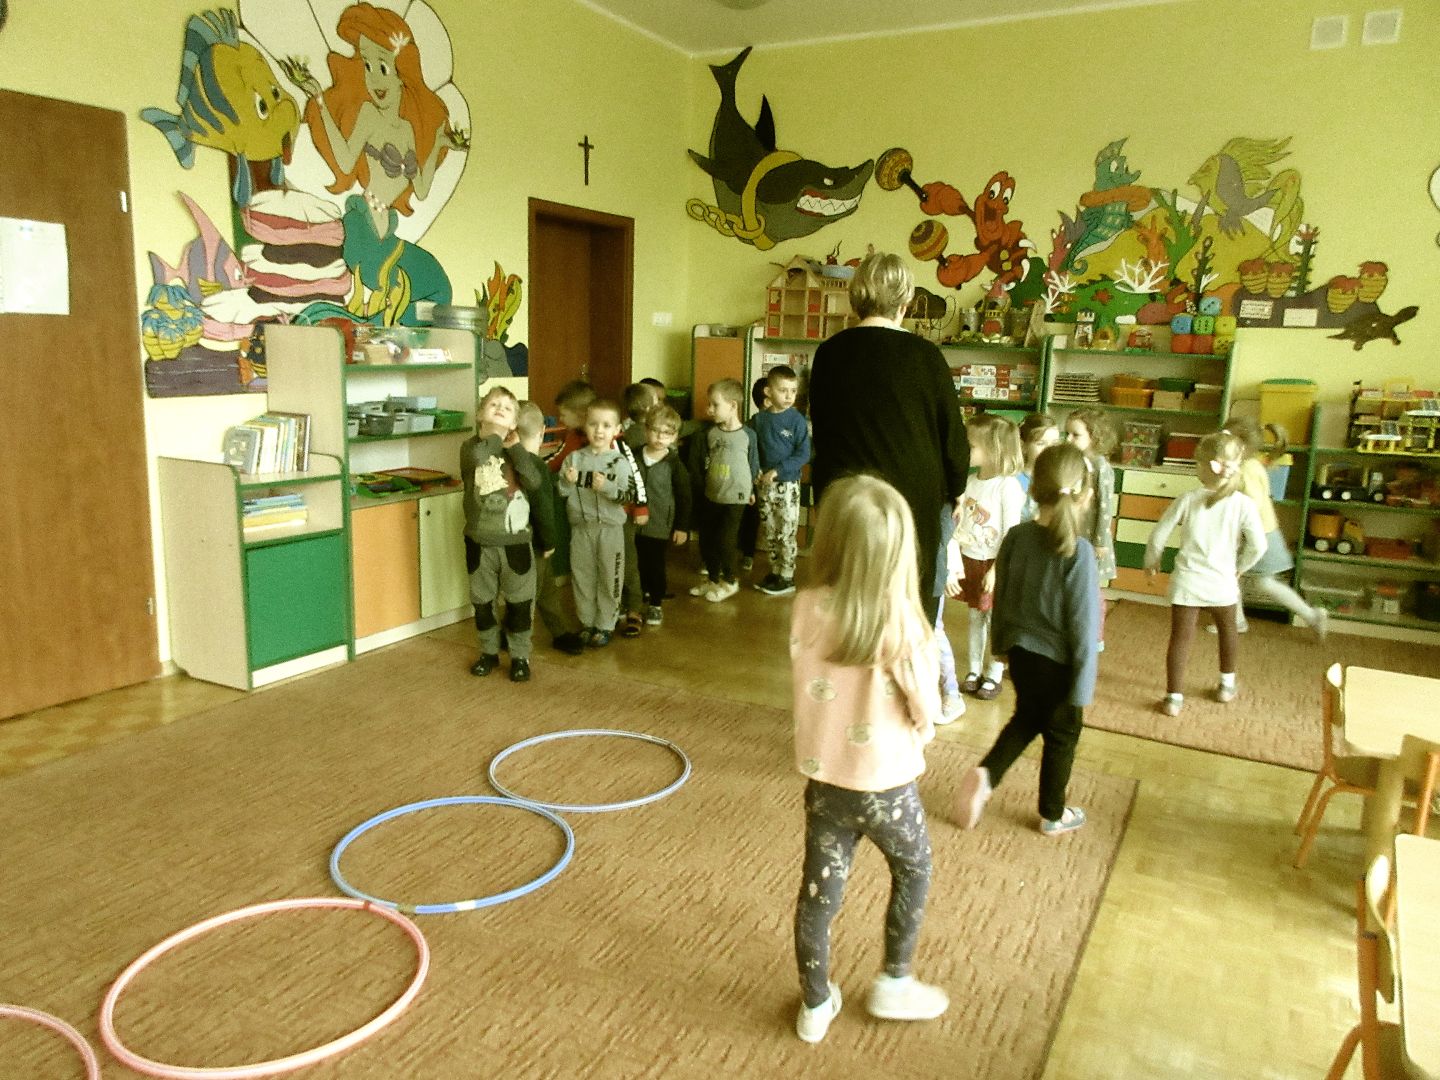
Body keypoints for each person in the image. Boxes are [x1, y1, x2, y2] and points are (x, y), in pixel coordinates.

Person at [790, 474, 949, 1044]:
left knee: (818, 896)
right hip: (888, 789)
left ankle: (815, 1004)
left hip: (826, 784)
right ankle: (894, 980)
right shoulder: (902, 622)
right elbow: (928, 708)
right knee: (915, 868)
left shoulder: (806, 605)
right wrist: (923, 729)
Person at [808, 252, 970, 623]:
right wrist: (958, 488)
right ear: (906, 301)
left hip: (846, 494)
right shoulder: (926, 355)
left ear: (855, 298)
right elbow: (952, 436)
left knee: (849, 594)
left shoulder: (829, 353)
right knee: (910, 598)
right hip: (911, 496)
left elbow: (822, 428)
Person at [954, 443, 1100, 836]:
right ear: (1086, 495)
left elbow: (1001, 601)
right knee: (1063, 734)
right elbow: (1084, 628)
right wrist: (1083, 687)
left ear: (1033, 489)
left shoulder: (1017, 537)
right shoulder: (1080, 552)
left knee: (1028, 717)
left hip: (1020, 654)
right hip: (1059, 665)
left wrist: (1000, 650)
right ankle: (1053, 813)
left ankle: (987, 774)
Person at [1145, 431, 1267, 717]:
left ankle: (1173, 698)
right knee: (1228, 631)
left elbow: (1158, 535)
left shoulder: (1188, 499)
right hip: (1222, 583)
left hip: (1187, 581)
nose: (1196, 469)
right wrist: (1241, 567)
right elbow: (1258, 546)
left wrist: (1152, 560)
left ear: (1208, 466)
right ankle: (1226, 685)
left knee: (1180, 639)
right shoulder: (1243, 504)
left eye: (1197, 464)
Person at [1220, 415, 1329, 639]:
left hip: (1257, 534)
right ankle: (1309, 615)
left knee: (1243, 579)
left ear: (1240, 445)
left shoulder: (1246, 469)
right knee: (1242, 579)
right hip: (1263, 531)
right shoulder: (1251, 464)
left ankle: (1309, 615)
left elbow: (1253, 502)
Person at [461, 386, 544, 682]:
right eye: (493, 404)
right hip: (480, 542)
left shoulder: (517, 451)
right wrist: (497, 435)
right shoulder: (470, 447)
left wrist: (516, 448)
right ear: (479, 414)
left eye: (507, 408)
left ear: (515, 422)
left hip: (515, 543)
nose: (499, 409)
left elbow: (533, 482)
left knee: (520, 604)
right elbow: (479, 458)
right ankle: (489, 651)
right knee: (483, 603)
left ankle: (520, 656)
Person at [955, 413, 1026, 701]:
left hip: (997, 565)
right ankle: (974, 670)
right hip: (972, 559)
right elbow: (961, 523)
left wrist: (996, 570)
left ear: (993, 449)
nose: (965, 450)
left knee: (997, 621)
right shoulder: (970, 482)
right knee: (975, 618)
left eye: (971, 445)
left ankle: (994, 672)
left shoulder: (1007, 486)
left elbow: (1012, 533)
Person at [558, 399, 634, 648]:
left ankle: (605, 624)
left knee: (609, 577)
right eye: (593, 424)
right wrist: (567, 481)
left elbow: (628, 496)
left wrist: (607, 487)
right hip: (581, 529)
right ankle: (587, 622)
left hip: (610, 530)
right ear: (585, 426)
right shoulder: (574, 459)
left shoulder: (620, 462)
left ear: (617, 429)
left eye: (606, 425)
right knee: (583, 577)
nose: (599, 430)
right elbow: (562, 491)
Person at [515, 401, 586, 656]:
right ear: (543, 431)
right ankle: (513, 635)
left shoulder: (508, 462)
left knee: (544, 589)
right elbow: (544, 511)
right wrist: (549, 542)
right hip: (534, 542)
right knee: (531, 592)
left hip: (517, 538)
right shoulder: (536, 467)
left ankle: (559, 631)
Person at [694, 378, 758, 603]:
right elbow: (706, 462)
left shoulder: (748, 435)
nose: (709, 409)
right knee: (707, 539)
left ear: (732, 406)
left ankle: (730, 581)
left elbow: (753, 463)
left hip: (736, 497)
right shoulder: (710, 433)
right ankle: (713, 579)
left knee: (726, 540)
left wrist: (752, 491)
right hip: (713, 495)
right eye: (709, 404)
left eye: (715, 404)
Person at [752, 365, 811, 596]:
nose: (788, 396)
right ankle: (775, 571)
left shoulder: (796, 420)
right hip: (765, 485)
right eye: (783, 390)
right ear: (768, 391)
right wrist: (756, 469)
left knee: (786, 531)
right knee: (770, 530)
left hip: (787, 486)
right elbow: (752, 448)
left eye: (793, 391)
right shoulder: (759, 420)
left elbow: (803, 454)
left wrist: (777, 470)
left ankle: (787, 575)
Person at [633, 403, 692, 626]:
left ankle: (656, 603)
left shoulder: (675, 465)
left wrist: (682, 527)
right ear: (646, 430)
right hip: (632, 522)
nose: (660, 437)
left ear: (674, 436)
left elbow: (684, 497)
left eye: (667, 433)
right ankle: (636, 598)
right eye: (656, 431)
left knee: (655, 564)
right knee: (635, 563)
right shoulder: (633, 456)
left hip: (659, 524)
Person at [1064, 408, 1117, 644]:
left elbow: (1105, 507)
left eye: (1075, 435)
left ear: (1094, 437)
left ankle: (1093, 637)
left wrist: (1100, 542)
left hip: (1092, 540)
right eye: (1067, 433)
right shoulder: (1077, 462)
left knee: (1090, 592)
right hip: (1074, 534)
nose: (1068, 439)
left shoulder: (1101, 467)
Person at [933, 510, 966, 724]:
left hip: (935, 572)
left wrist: (948, 571)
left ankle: (951, 692)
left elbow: (948, 530)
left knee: (933, 630)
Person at [1017, 412, 1060, 521]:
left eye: (1054, 444)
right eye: (1041, 443)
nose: (1049, 449)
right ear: (1023, 446)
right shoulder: (1014, 480)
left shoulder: (1060, 478)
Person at [548, 379, 596, 474]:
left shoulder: (608, 439)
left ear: (581, 414)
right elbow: (556, 462)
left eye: (563, 415)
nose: (560, 419)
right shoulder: (573, 436)